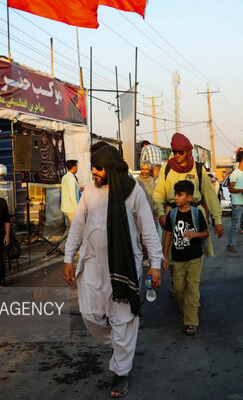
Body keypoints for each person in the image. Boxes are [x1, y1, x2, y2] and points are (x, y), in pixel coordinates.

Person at [63, 145, 163, 398]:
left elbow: (148, 231)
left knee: (123, 320)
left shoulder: (133, 193)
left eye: (98, 168)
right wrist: (67, 258)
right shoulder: (89, 192)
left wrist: (156, 265)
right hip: (92, 266)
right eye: (93, 167)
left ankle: (121, 372)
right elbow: (77, 226)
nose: (94, 172)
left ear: (110, 168)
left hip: (124, 269)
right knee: (89, 315)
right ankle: (121, 346)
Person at [153, 133, 224, 257]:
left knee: (196, 257)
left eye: (180, 152)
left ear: (188, 152)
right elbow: (159, 194)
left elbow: (210, 195)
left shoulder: (198, 169)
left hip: (195, 216)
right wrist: (161, 213)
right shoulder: (167, 168)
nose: (177, 155)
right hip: (173, 216)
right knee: (173, 260)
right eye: (175, 152)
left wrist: (217, 220)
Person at [162, 180, 209, 335]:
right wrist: (164, 255)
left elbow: (206, 233)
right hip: (178, 257)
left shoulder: (196, 213)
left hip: (194, 257)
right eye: (175, 194)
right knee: (178, 288)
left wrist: (195, 234)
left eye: (180, 195)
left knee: (192, 288)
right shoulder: (172, 214)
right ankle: (187, 308)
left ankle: (191, 321)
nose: (176, 198)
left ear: (189, 198)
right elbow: (168, 234)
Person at [61, 160, 80, 231]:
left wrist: (79, 189)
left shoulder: (65, 177)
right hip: (72, 209)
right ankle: (63, 242)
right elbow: (72, 195)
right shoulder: (71, 178)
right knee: (73, 231)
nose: (77, 168)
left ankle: (62, 242)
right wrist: (77, 208)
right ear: (73, 167)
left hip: (66, 208)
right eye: (76, 166)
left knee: (69, 229)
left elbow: (67, 191)